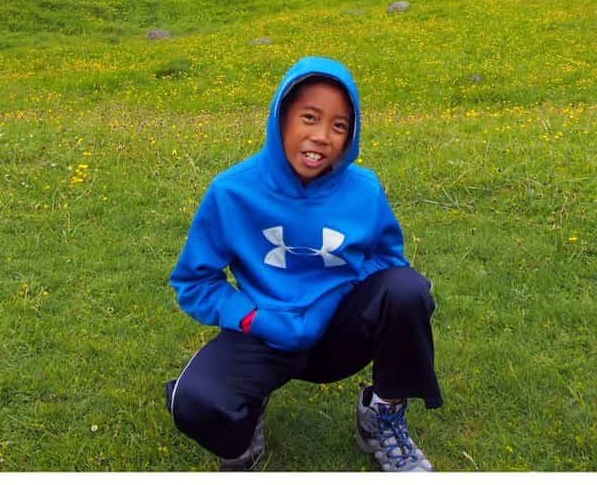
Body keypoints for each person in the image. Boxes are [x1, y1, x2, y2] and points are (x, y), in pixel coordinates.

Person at [164, 56, 440, 472]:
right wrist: (254, 319)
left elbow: (387, 260)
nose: (322, 136)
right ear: (281, 118)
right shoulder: (232, 192)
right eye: (309, 117)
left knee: (407, 290)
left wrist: (333, 297)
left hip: (338, 335)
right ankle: (244, 423)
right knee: (193, 401)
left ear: (351, 136)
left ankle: (382, 414)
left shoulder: (364, 191)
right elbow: (194, 282)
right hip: (266, 334)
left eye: (339, 125)